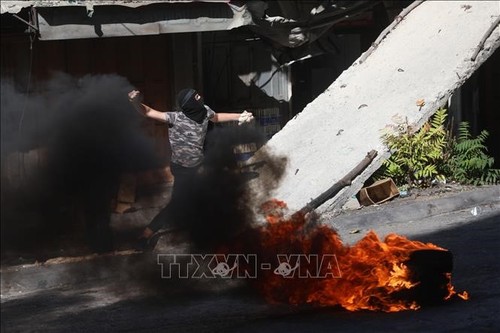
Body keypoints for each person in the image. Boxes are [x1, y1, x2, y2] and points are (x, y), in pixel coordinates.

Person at [128, 88, 254, 250]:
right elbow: (148, 111)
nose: (200, 98)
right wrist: (135, 102)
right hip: (181, 169)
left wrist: (239, 116)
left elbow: (215, 117)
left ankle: (210, 230)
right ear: (190, 104)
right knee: (177, 204)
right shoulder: (175, 118)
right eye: (196, 97)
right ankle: (146, 234)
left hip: (198, 166)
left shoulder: (205, 111)